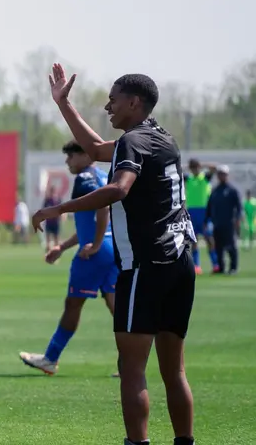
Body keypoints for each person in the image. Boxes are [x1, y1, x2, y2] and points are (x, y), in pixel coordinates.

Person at [32, 64, 197, 445]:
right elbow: (93, 150)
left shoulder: (132, 141)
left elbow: (119, 189)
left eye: (113, 100)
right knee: (174, 371)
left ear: (134, 102)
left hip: (145, 265)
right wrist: (63, 104)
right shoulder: (162, 138)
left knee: (132, 367)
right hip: (179, 262)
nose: (108, 107)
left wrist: (59, 209)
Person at [20, 140, 118, 376]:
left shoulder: (85, 178)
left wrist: (95, 245)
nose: (67, 162)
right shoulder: (103, 175)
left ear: (86, 155)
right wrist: (62, 247)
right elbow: (89, 225)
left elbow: (103, 208)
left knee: (73, 304)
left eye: (71, 156)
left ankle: (50, 358)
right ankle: (130, 363)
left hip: (93, 253)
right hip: (112, 248)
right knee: (117, 307)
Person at [184, 158, 219, 273]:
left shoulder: (205, 177)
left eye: (196, 167)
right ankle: (196, 266)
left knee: (209, 239)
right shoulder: (188, 178)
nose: (195, 169)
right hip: (192, 213)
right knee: (194, 241)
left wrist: (201, 165)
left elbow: (214, 167)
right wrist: (189, 167)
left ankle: (215, 264)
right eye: (193, 167)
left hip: (204, 213)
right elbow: (177, 170)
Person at [206, 165, 242, 275]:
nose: (222, 176)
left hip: (229, 223)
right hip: (217, 223)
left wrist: (238, 219)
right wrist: (206, 220)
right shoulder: (215, 190)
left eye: (224, 174)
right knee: (218, 247)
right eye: (220, 174)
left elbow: (239, 207)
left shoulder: (232, 190)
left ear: (227, 175)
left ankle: (233, 268)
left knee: (231, 246)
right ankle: (221, 267)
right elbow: (209, 207)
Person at [42, 186, 62, 250]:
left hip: (55, 222)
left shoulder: (58, 200)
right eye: (51, 191)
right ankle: (48, 252)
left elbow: (62, 209)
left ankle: (56, 252)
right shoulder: (47, 200)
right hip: (49, 222)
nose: (52, 193)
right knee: (48, 239)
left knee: (56, 239)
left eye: (53, 192)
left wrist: (61, 216)